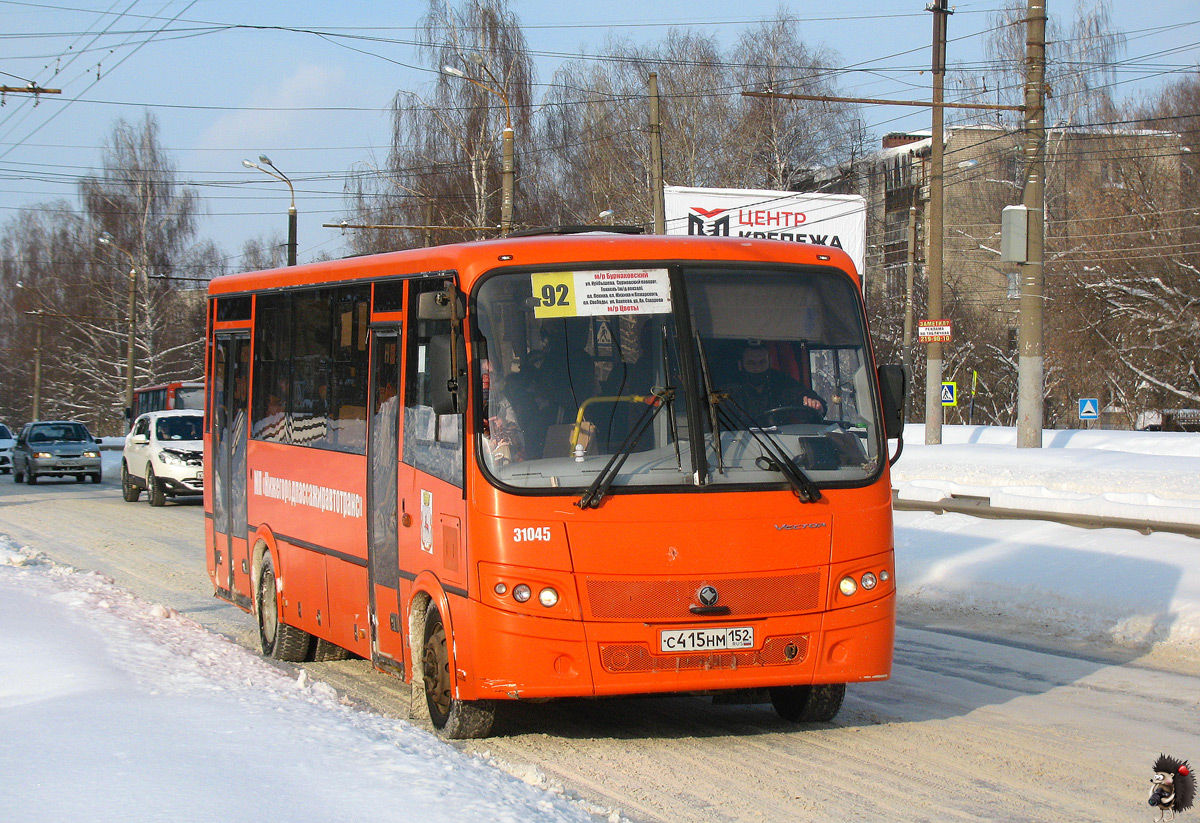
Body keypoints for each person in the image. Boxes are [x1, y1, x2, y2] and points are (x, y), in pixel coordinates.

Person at [726, 343, 826, 424]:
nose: (758, 368)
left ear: (770, 362)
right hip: (744, 442)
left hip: (781, 442)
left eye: (762, 362)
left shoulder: (781, 381)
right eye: (751, 363)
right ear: (740, 365)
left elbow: (802, 394)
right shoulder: (731, 389)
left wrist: (815, 404)